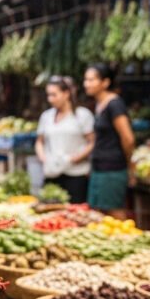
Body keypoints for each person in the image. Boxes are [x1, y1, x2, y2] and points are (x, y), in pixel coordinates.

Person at [83, 63, 135, 218]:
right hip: (99, 167)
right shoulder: (99, 104)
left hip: (113, 168)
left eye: (91, 80)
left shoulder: (115, 104)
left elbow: (128, 139)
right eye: (86, 80)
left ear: (105, 82)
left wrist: (130, 165)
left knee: (114, 212)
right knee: (98, 214)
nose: (87, 84)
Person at [35, 76, 94, 204]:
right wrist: (43, 158)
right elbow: (39, 141)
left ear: (66, 94)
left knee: (75, 211)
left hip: (76, 175)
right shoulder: (46, 116)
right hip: (52, 173)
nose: (50, 99)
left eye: (54, 95)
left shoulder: (82, 115)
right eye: (48, 95)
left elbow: (92, 142)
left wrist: (75, 158)